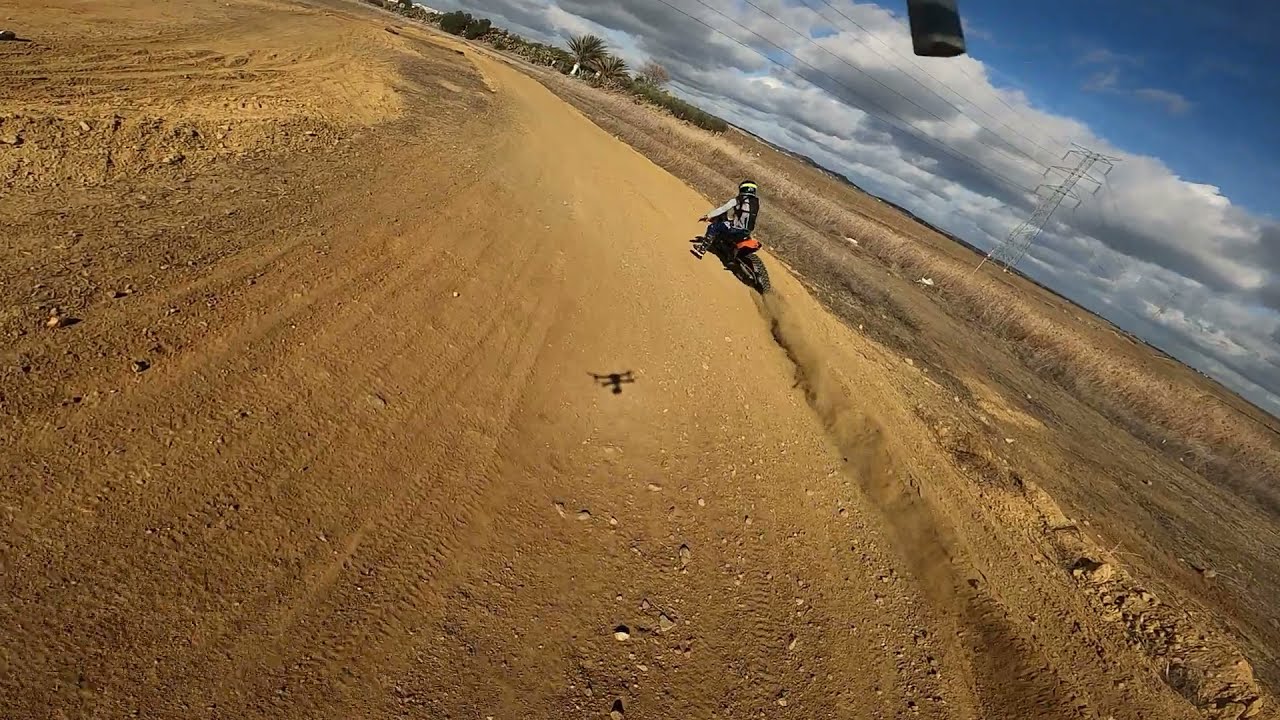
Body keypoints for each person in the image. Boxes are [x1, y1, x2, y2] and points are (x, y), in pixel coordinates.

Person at [697, 180, 762, 258]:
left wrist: (708, 216)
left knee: (712, 227)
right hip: (747, 231)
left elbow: (723, 209)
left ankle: (702, 249)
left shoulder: (738, 200)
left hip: (735, 229)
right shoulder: (755, 202)